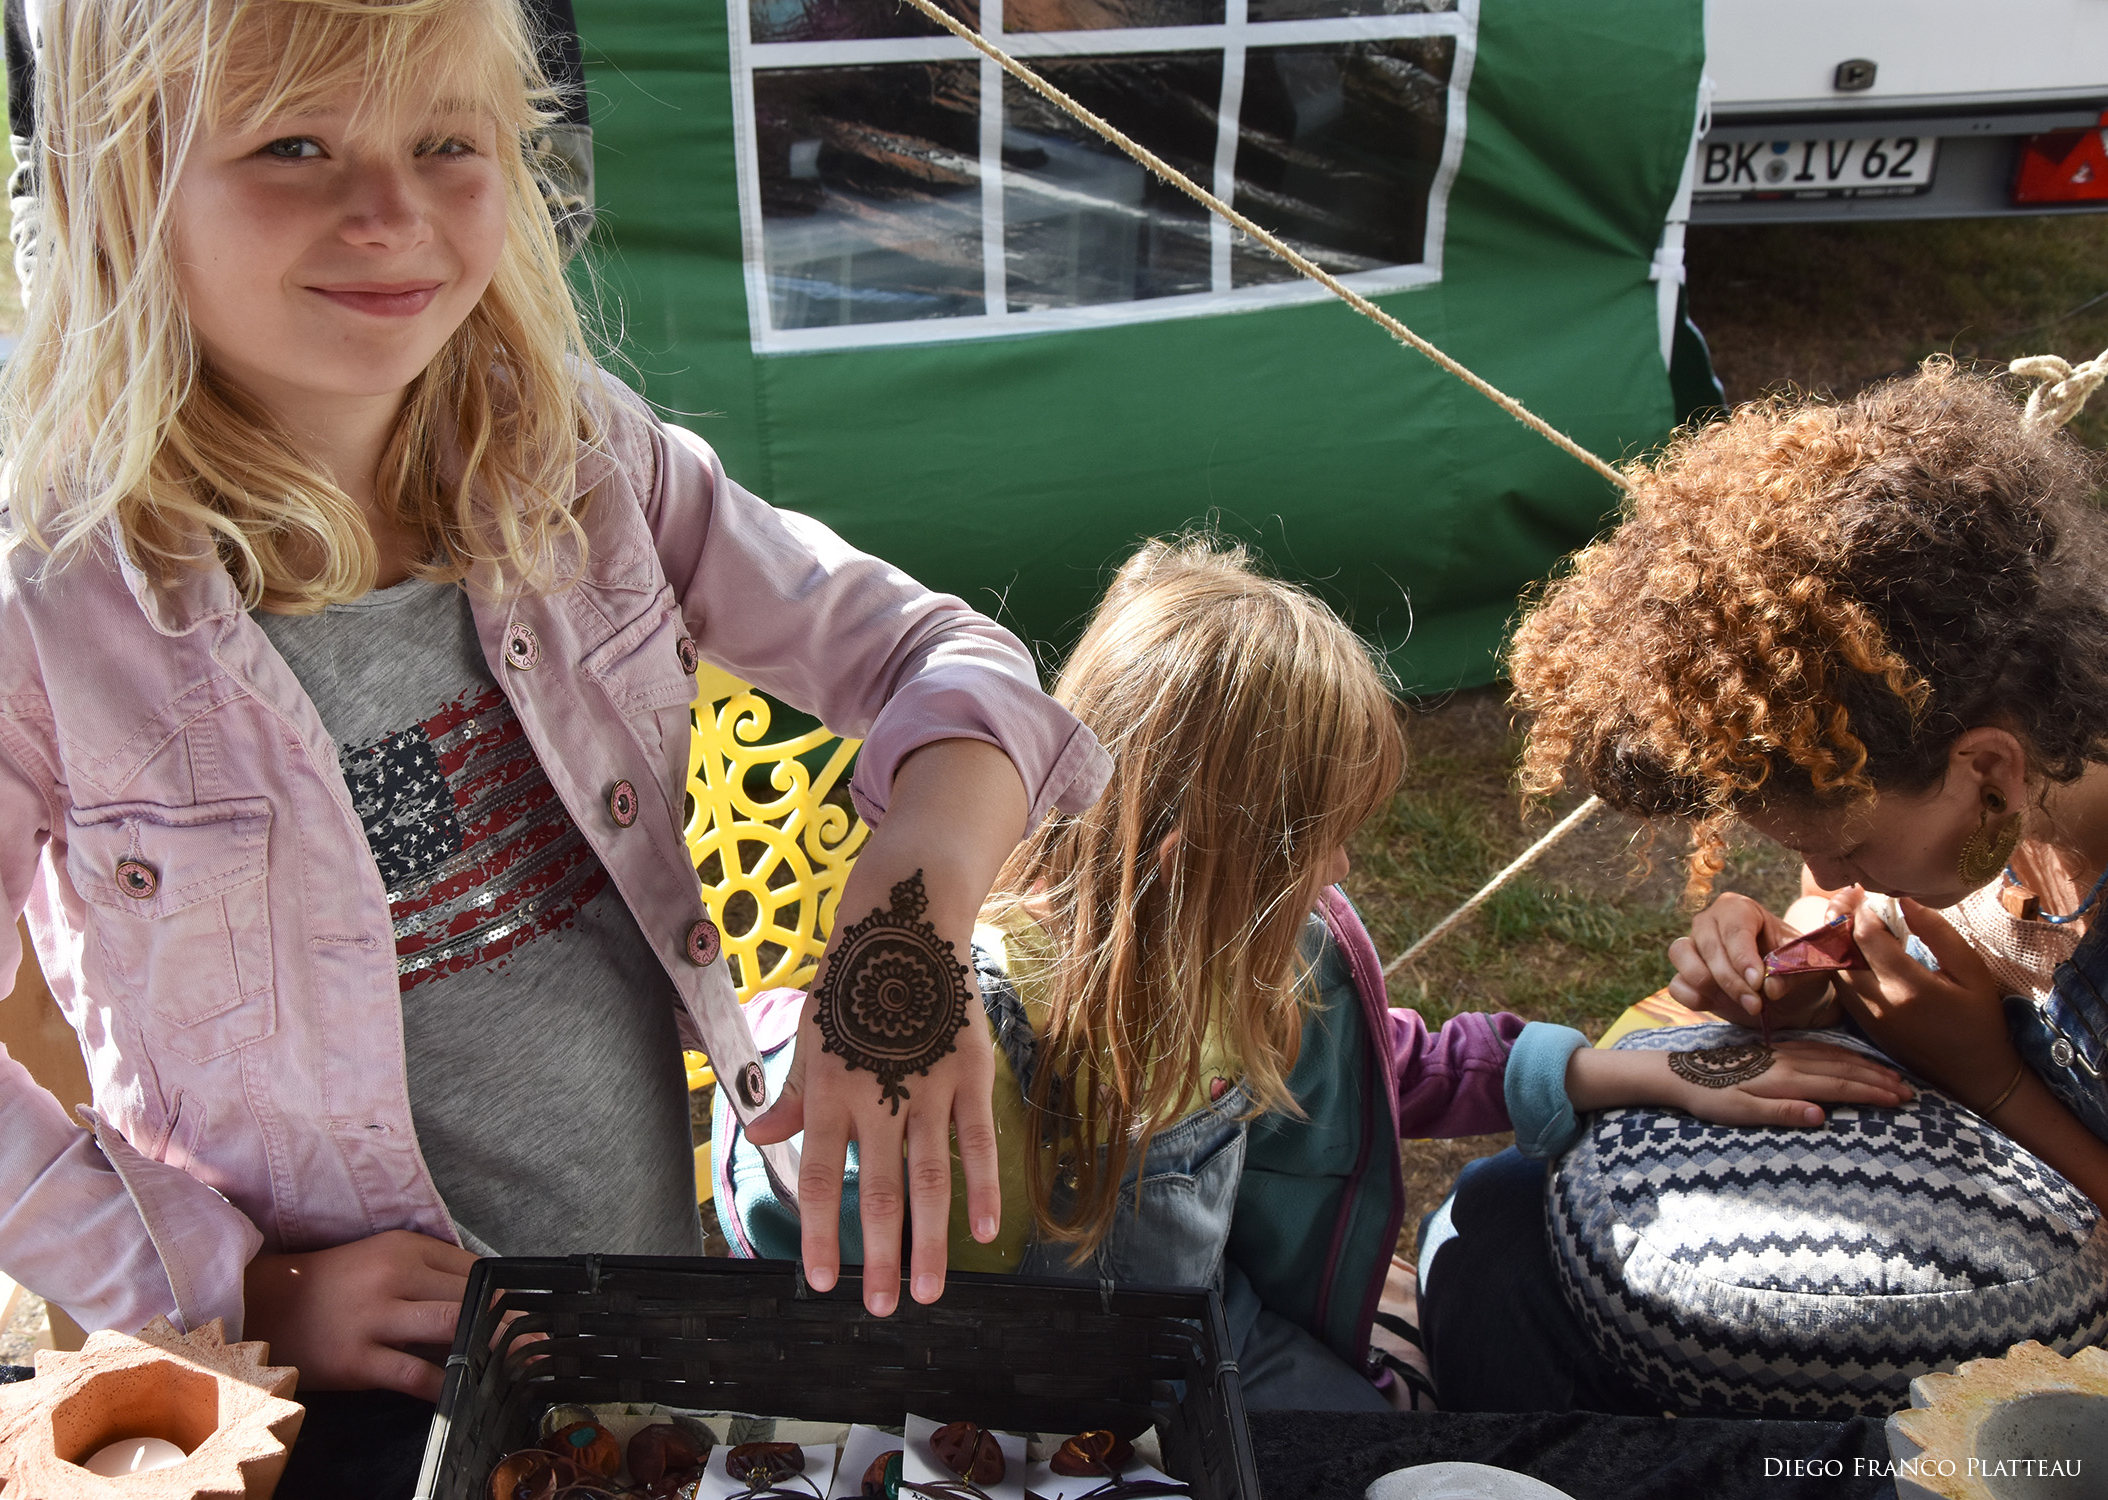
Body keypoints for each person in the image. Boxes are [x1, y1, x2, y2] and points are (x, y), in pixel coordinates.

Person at [0, 0, 1109, 1401]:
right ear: (120, 182)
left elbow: (946, 661)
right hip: (329, 1408)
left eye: (448, 141)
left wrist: (905, 927)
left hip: (639, 1325)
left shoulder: (578, 466)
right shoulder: (7, 627)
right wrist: (236, 1289)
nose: (392, 213)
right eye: (295, 147)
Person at [715, 538, 1906, 1409]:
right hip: (955, 1389)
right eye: (1318, 842)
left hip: (1201, 1347)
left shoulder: (1275, 953)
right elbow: (792, 1172)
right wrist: (780, 1066)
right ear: (1195, 862)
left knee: (1384, 1458)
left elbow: (1382, 1067)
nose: (1341, 871)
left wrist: (1613, 1073)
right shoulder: (966, 1026)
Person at [1423, 358, 2108, 1412]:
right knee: (1501, 1224)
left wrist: (1993, 1078)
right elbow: (1832, 901)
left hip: (2050, 1352)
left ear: (1990, 771)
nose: (1828, 874)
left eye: (1852, 848)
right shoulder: (1966, 786)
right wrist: (1803, 962)